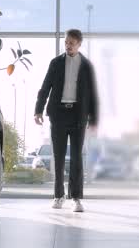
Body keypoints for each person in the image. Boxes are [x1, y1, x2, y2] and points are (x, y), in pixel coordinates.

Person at [34, 29, 99, 212]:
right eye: (66, 42)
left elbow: (93, 94)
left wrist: (93, 119)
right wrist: (38, 110)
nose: (68, 45)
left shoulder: (87, 66)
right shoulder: (55, 63)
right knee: (59, 157)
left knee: (77, 158)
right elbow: (45, 87)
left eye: (71, 43)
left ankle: (76, 198)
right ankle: (58, 196)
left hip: (78, 115)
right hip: (58, 114)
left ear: (79, 44)